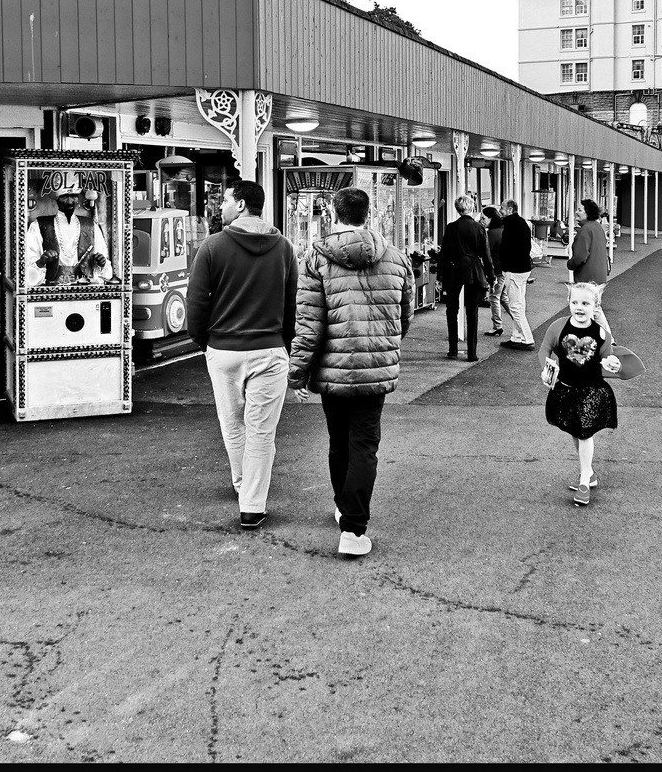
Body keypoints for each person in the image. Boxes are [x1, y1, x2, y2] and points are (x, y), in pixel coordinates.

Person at [288, 186, 413, 558]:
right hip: (376, 368)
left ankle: (345, 508)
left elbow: (308, 324)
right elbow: (404, 318)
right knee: (364, 445)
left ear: (333, 213)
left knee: (338, 441)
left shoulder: (316, 258)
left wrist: (297, 375)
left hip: (332, 370)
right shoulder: (395, 258)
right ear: (368, 214)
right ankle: (354, 530)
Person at [185, 180, 299, 531]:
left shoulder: (212, 246)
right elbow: (292, 304)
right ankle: (252, 505)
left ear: (242, 204)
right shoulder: (284, 248)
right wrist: (285, 342)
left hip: (223, 349)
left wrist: (205, 341)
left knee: (233, 424)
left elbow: (196, 302)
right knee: (261, 432)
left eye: (226, 200)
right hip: (270, 350)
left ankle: (242, 485)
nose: (221, 206)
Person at [538, 282, 642, 507]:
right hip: (565, 389)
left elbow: (608, 358)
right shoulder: (558, 327)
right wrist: (547, 368)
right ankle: (590, 473)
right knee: (576, 432)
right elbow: (544, 349)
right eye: (575, 302)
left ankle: (584, 480)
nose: (579, 307)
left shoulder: (601, 332)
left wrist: (613, 363)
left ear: (596, 306)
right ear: (569, 303)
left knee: (584, 433)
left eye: (585, 303)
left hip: (592, 391)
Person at [23, 173, 114, 288]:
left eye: (74, 196)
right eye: (65, 196)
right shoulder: (38, 226)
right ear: (57, 199)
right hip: (50, 293)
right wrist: (41, 262)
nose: (69, 201)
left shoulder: (91, 226)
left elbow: (106, 274)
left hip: (85, 293)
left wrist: (102, 263)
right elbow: (27, 276)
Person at [437, 195, 494, 361]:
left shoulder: (451, 228)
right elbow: (486, 255)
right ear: (472, 208)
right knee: (472, 312)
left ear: (457, 209)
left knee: (451, 310)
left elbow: (444, 253)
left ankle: (453, 348)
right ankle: (472, 353)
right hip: (474, 271)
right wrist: (491, 276)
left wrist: (440, 275)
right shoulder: (479, 228)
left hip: (454, 271)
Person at [497, 198, 536, 350]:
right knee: (519, 303)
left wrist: (504, 266)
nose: (500, 210)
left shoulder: (511, 225)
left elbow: (507, 248)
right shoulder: (521, 223)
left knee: (515, 306)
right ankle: (516, 337)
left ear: (510, 209)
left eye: (502, 208)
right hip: (522, 268)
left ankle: (527, 338)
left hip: (515, 270)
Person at [567, 199, 610, 284]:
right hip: (600, 275)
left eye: (580, 210)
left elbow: (580, 256)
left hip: (586, 277)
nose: (576, 212)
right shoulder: (598, 227)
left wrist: (570, 264)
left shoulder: (586, 229)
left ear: (587, 213)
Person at [481, 206, 506, 337]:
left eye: (484, 218)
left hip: (497, 269)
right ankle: (519, 321)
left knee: (494, 297)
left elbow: (487, 253)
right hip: (505, 269)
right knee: (503, 297)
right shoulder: (503, 230)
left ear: (491, 218)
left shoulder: (491, 234)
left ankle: (497, 326)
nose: (482, 220)